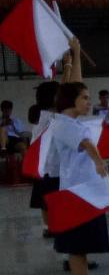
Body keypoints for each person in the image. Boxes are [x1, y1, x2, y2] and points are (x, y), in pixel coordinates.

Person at [50, 39, 109, 275]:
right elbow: (87, 144)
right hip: (76, 194)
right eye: (85, 98)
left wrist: (76, 53)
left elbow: (74, 83)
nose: (89, 102)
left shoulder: (72, 121)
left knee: (81, 249)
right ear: (71, 101)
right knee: (77, 250)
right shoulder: (64, 125)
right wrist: (100, 163)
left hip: (83, 192)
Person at [28, 80, 63, 240]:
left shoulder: (44, 116)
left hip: (45, 168)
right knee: (49, 201)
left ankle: (49, 227)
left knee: (45, 200)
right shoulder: (52, 118)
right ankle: (52, 227)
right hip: (52, 169)